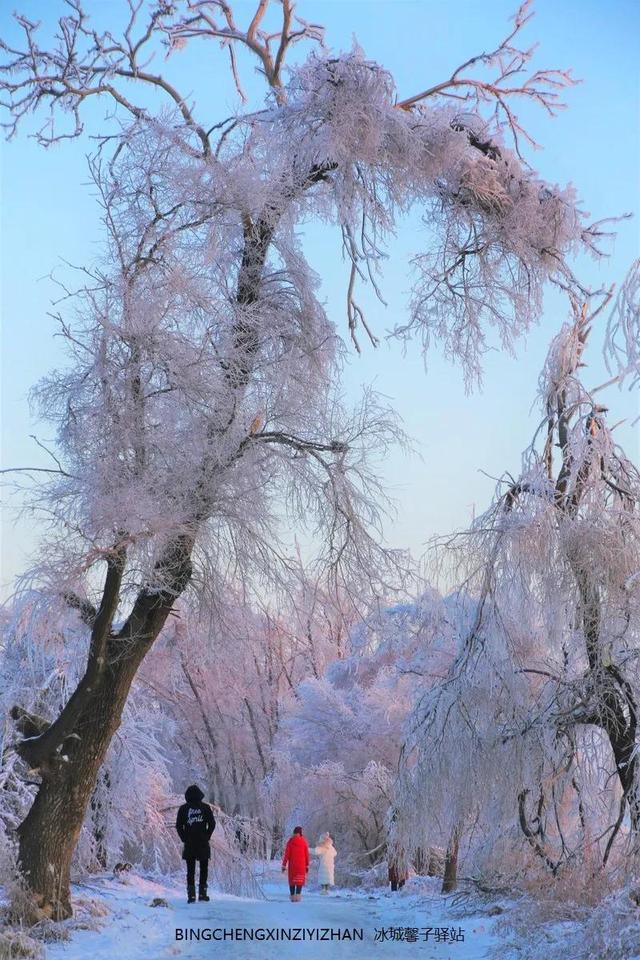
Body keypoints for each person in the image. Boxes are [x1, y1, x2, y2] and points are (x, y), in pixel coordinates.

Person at [175, 784, 216, 903]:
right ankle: (203, 895)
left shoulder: (183, 809)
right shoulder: (205, 807)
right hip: (203, 843)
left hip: (190, 843)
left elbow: (178, 826)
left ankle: (191, 896)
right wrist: (207, 835)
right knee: (204, 868)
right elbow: (212, 824)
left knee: (190, 869)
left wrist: (184, 838)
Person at [281, 825, 310, 901]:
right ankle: (298, 896)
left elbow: (286, 855)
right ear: (300, 833)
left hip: (293, 865)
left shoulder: (290, 842)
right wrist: (307, 865)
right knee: (299, 881)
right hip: (301, 865)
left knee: (292, 881)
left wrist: (284, 865)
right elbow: (307, 854)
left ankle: (292, 897)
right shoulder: (304, 842)